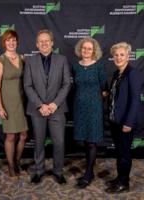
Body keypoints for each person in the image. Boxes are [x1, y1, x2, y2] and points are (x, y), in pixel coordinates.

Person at [24, 29, 71, 184]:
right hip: (37, 110)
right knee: (38, 142)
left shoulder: (62, 59)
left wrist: (54, 104)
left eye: (47, 40)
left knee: (59, 142)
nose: (44, 43)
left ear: (52, 42)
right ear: (37, 44)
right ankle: (39, 170)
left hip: (57, 109)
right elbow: (28, 86)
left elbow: (66, 84)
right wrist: (40, 105)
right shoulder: (30, 61)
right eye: (41, 41)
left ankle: (58, 171)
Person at [105, 42, 141, 193]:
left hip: (125, 121)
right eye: (116, 55)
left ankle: (124, 183)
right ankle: (120, 177)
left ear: (128, 56)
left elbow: (135, 99)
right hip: (115, 121)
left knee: (125, 153)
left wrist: (129, 122)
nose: (118, 58)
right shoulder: (116, 73)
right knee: (119, 152)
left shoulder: (132, 73)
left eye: (122, 55)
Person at [73, 37, 108, 188]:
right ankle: (90, 171)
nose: (86, 51)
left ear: (94, 51)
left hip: (94, 108)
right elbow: (74, 86)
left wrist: (96, 101)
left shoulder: (99, 66)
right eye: (84, 48)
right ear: (80, 50)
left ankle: (88, 173)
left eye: (89, 48)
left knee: (92, 141)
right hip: (80, 108)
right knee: (86, 141)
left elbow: (105, 89)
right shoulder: (76, 66)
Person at [0, 29, 28, 177]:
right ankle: (11, 165)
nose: (11, 42)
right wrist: (0, 107)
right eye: (8, 40)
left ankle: (17, 161)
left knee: (24, 135)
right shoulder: (0, 61)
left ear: (17, 41)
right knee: (11, 136)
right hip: (7, 102)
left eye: (13, 40)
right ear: (4, 43)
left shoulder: (22, 58)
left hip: (22, 101)